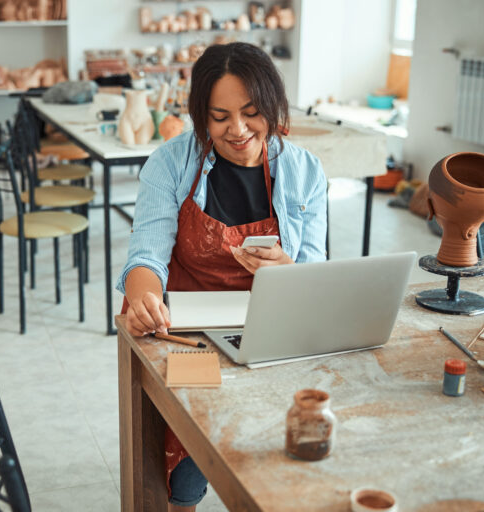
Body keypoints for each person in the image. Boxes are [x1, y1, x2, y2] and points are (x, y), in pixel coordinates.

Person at [116, 42, 328, 510]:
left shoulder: (305, 172)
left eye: (252, 113)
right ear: (201, 117)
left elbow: (316, 277)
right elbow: (146, 256)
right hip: (187, 332)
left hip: (272, 330)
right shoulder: (171, 163)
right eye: (219, 117)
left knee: (278, 454)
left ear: (273, 107)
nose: (237, 130)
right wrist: (146, 298)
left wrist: (289, 271)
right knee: (189, 450)